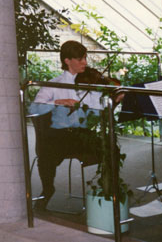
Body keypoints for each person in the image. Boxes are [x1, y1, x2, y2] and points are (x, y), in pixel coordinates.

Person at [29, 40, 107, 210]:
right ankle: (48, 190)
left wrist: (108, 102)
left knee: (111, 149)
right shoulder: (54, 84)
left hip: (83, 134)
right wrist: (58, 102)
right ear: (67, 61)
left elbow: (97, 112)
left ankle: (108, 192)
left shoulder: (88, 83)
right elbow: (33, 108)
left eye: (85, 58)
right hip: (60, 135)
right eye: (80, 59)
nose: (85, 63)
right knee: (45, 157)